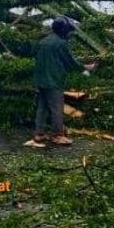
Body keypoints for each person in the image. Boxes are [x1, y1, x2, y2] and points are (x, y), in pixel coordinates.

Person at [27, 16, 96, 147]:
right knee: (56, 108)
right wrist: (85, 68)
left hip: (41, 80)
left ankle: (38, 133)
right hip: (53, 80)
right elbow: (69, 61)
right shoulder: (61, 43)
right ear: (64, 30)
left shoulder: (44, 41)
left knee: (42, 107)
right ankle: (58, 135)